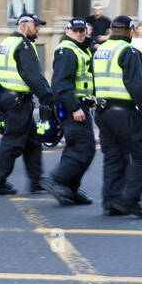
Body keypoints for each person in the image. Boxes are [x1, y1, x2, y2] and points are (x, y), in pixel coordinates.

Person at [92, 14, 142, 218]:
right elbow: (139, 87)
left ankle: (112, 202)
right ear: (130, 31)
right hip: (125, 113)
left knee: (114, 157)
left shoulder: (100, 50)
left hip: (102, 112)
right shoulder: (129, 51)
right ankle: (130, 200)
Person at [0, 14, 52, 196]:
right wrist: (48, 98)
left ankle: (36, 181)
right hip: (18, 102)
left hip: (9, 97)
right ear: (24, 26)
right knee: (12, 143)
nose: (38, 29)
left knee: (32, 141)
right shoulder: (24, 45)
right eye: (35, 25)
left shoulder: (6, 43)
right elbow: (33, 76)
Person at [40, 19, 96, 207]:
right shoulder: (67, 51)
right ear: (68, 31)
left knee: (78, 147)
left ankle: (70, 188)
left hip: (80, 104)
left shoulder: (80, 48)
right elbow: (61, 84)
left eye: (83, 30)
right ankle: (56, 179)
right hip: (72, 106)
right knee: (83, 147)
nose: (80, 33)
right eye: (76, 30)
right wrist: (74, 108)